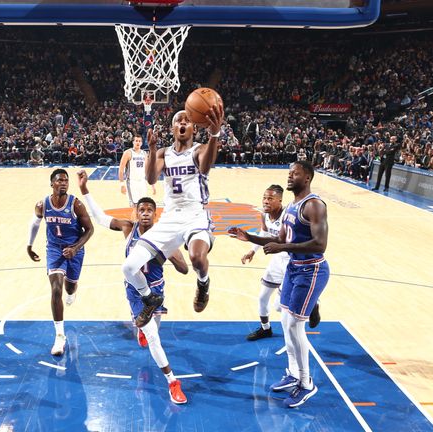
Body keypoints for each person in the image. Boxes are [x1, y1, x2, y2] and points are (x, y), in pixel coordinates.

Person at [77, 169, 189, 404]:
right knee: (153, 337)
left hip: (156, 291)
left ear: (156, 215)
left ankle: (141, 328)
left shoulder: (163, 237)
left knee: (153, 330)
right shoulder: (128, 228)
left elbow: (184, 269)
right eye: (142, 210)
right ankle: (172, 382)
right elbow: (100, 218)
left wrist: (171, 251)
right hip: (136, 293)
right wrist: (85, 190)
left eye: (149, 210)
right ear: (136, 213)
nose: (145, 213)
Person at [228, 160, 329, 408]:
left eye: (295, 173)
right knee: (285, 322)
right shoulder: (291, 207)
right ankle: (293, 373)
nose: (290, 176)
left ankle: (306, 383)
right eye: (289, 173)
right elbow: (279, 238)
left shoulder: (314, 205)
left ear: (307, 178)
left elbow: (320, 244)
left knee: (295, 325)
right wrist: (249, 237)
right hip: (294, 268)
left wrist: (282, 247)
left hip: (311, 270)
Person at [122, 103, 224, 328]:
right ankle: (150, 298)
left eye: (187, 120)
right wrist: (151, 148)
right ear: (172, 128)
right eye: (179, 120)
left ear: (194, 128)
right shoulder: (163, 153)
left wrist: (214, 135)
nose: (183, 123)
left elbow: (206, 167)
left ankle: (203, 283)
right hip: (169, 218)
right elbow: (151, 179)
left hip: (195, 215)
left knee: (197, 258)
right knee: (128, 267)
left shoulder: (199, 149)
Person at [239, 185, 321, 341]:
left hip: (291, 262)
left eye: (270, 199)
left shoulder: (288, 215)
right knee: (262, 298)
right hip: (277, 261)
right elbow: (264, 233)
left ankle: (313, 303)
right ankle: (265, 329)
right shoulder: (264, 215)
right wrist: (252, 251)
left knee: (278, 306)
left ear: (280, 200)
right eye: (264, 198)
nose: (266, 201)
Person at [27, 169, 94, 356]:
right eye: (59, 180)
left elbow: (90, 229)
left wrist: (75, 248)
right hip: (54, 250)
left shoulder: (76, 204)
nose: (63, 183)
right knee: (56, 289)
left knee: (69, 288)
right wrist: (29, 246)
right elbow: (34, 224)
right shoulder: (42, 205)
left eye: (66, 180)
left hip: (74, 249)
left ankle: (72, 290)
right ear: (52, 183)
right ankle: (59, 336)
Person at [118, 135, 155, 206]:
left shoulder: (144, 154)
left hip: (142, 182)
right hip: (132, 183)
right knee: (134, 206)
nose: (138, 142)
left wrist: (152, 185)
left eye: (139, 141)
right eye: (136, 141)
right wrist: (122, 184)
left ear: (142, 143)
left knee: (143, 205)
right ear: (133, 142)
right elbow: (121, 169)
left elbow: (147, 170)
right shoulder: (128, 153)